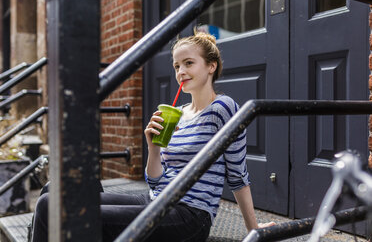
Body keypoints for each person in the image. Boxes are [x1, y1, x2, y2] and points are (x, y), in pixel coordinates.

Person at [31, 31, 274, 242]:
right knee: (53, 191)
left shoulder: (223, 108)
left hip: (189, 214)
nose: (181, 71)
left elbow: (237, 174)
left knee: (50, 207)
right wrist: (154, 149)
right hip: (156, 199)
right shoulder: (176, 114)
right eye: (177, 66)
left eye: (189, 63)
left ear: (211, 66)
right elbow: (156, 181)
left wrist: (253, 228)